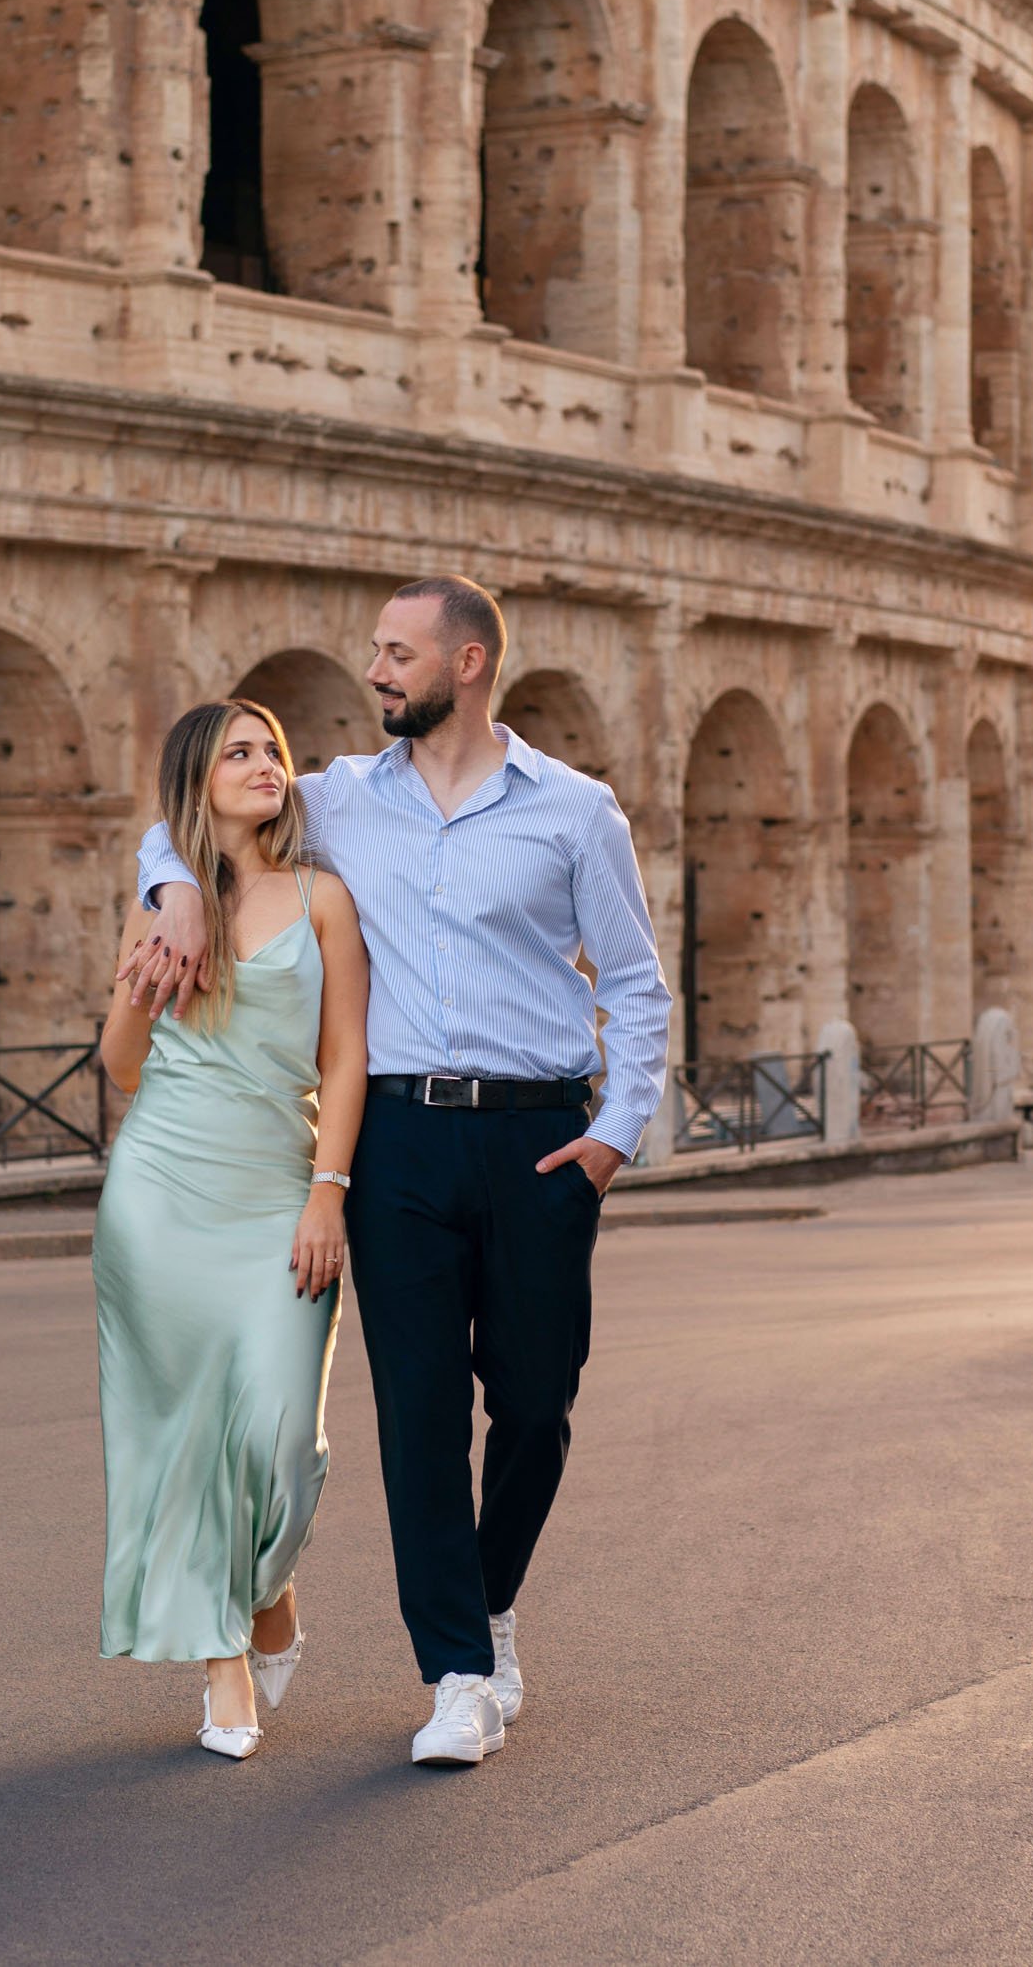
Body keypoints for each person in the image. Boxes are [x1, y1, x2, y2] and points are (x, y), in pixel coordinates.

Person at [126, 577, 671, 1767]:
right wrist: (169, 888)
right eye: (374, 649)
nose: (373, 669)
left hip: (538, 1137)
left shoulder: (575, 812)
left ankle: (489, 1600)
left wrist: (613, 1136)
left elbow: (632, 984)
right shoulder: (337, 798)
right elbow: (183, 814)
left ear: (465, 664)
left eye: (395, 651)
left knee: (533, 1403)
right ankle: (458, 1673)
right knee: (418, 1411)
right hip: (396, 1136)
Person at [95, 699, 368, 1761]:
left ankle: (271, 1597)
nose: (263, 766)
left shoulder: (324, 899)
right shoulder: (162, 907)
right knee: (182, 1440)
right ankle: (223, 1670)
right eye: (237, 754)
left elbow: (344, 1057)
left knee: (277, 1441)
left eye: (271, 752)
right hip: (159, 1194)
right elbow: (120, 1064)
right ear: (195, 783)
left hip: (279, 1192)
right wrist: (147, 971)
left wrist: (327, 1189)